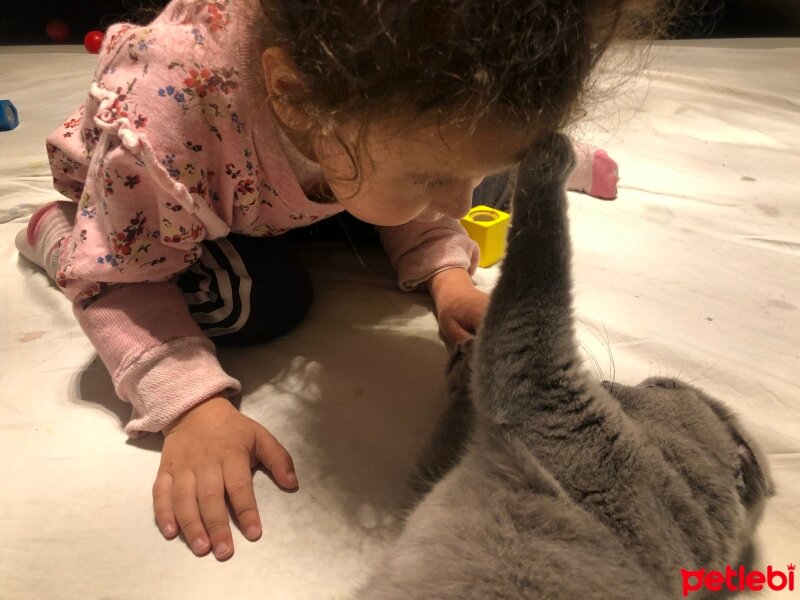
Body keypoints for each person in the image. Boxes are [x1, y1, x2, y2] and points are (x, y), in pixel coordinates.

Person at [15, 0, 651, 561]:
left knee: (414, 188)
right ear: (294, 96)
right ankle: (56, 231)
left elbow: (389, 180)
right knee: (262, 303)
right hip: (155, 201)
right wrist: (191, 405)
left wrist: (446, 277)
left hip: (305, 174)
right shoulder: (168, 123)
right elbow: (122, 280)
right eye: (434, 177)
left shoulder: (364, 106)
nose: (456, 204)